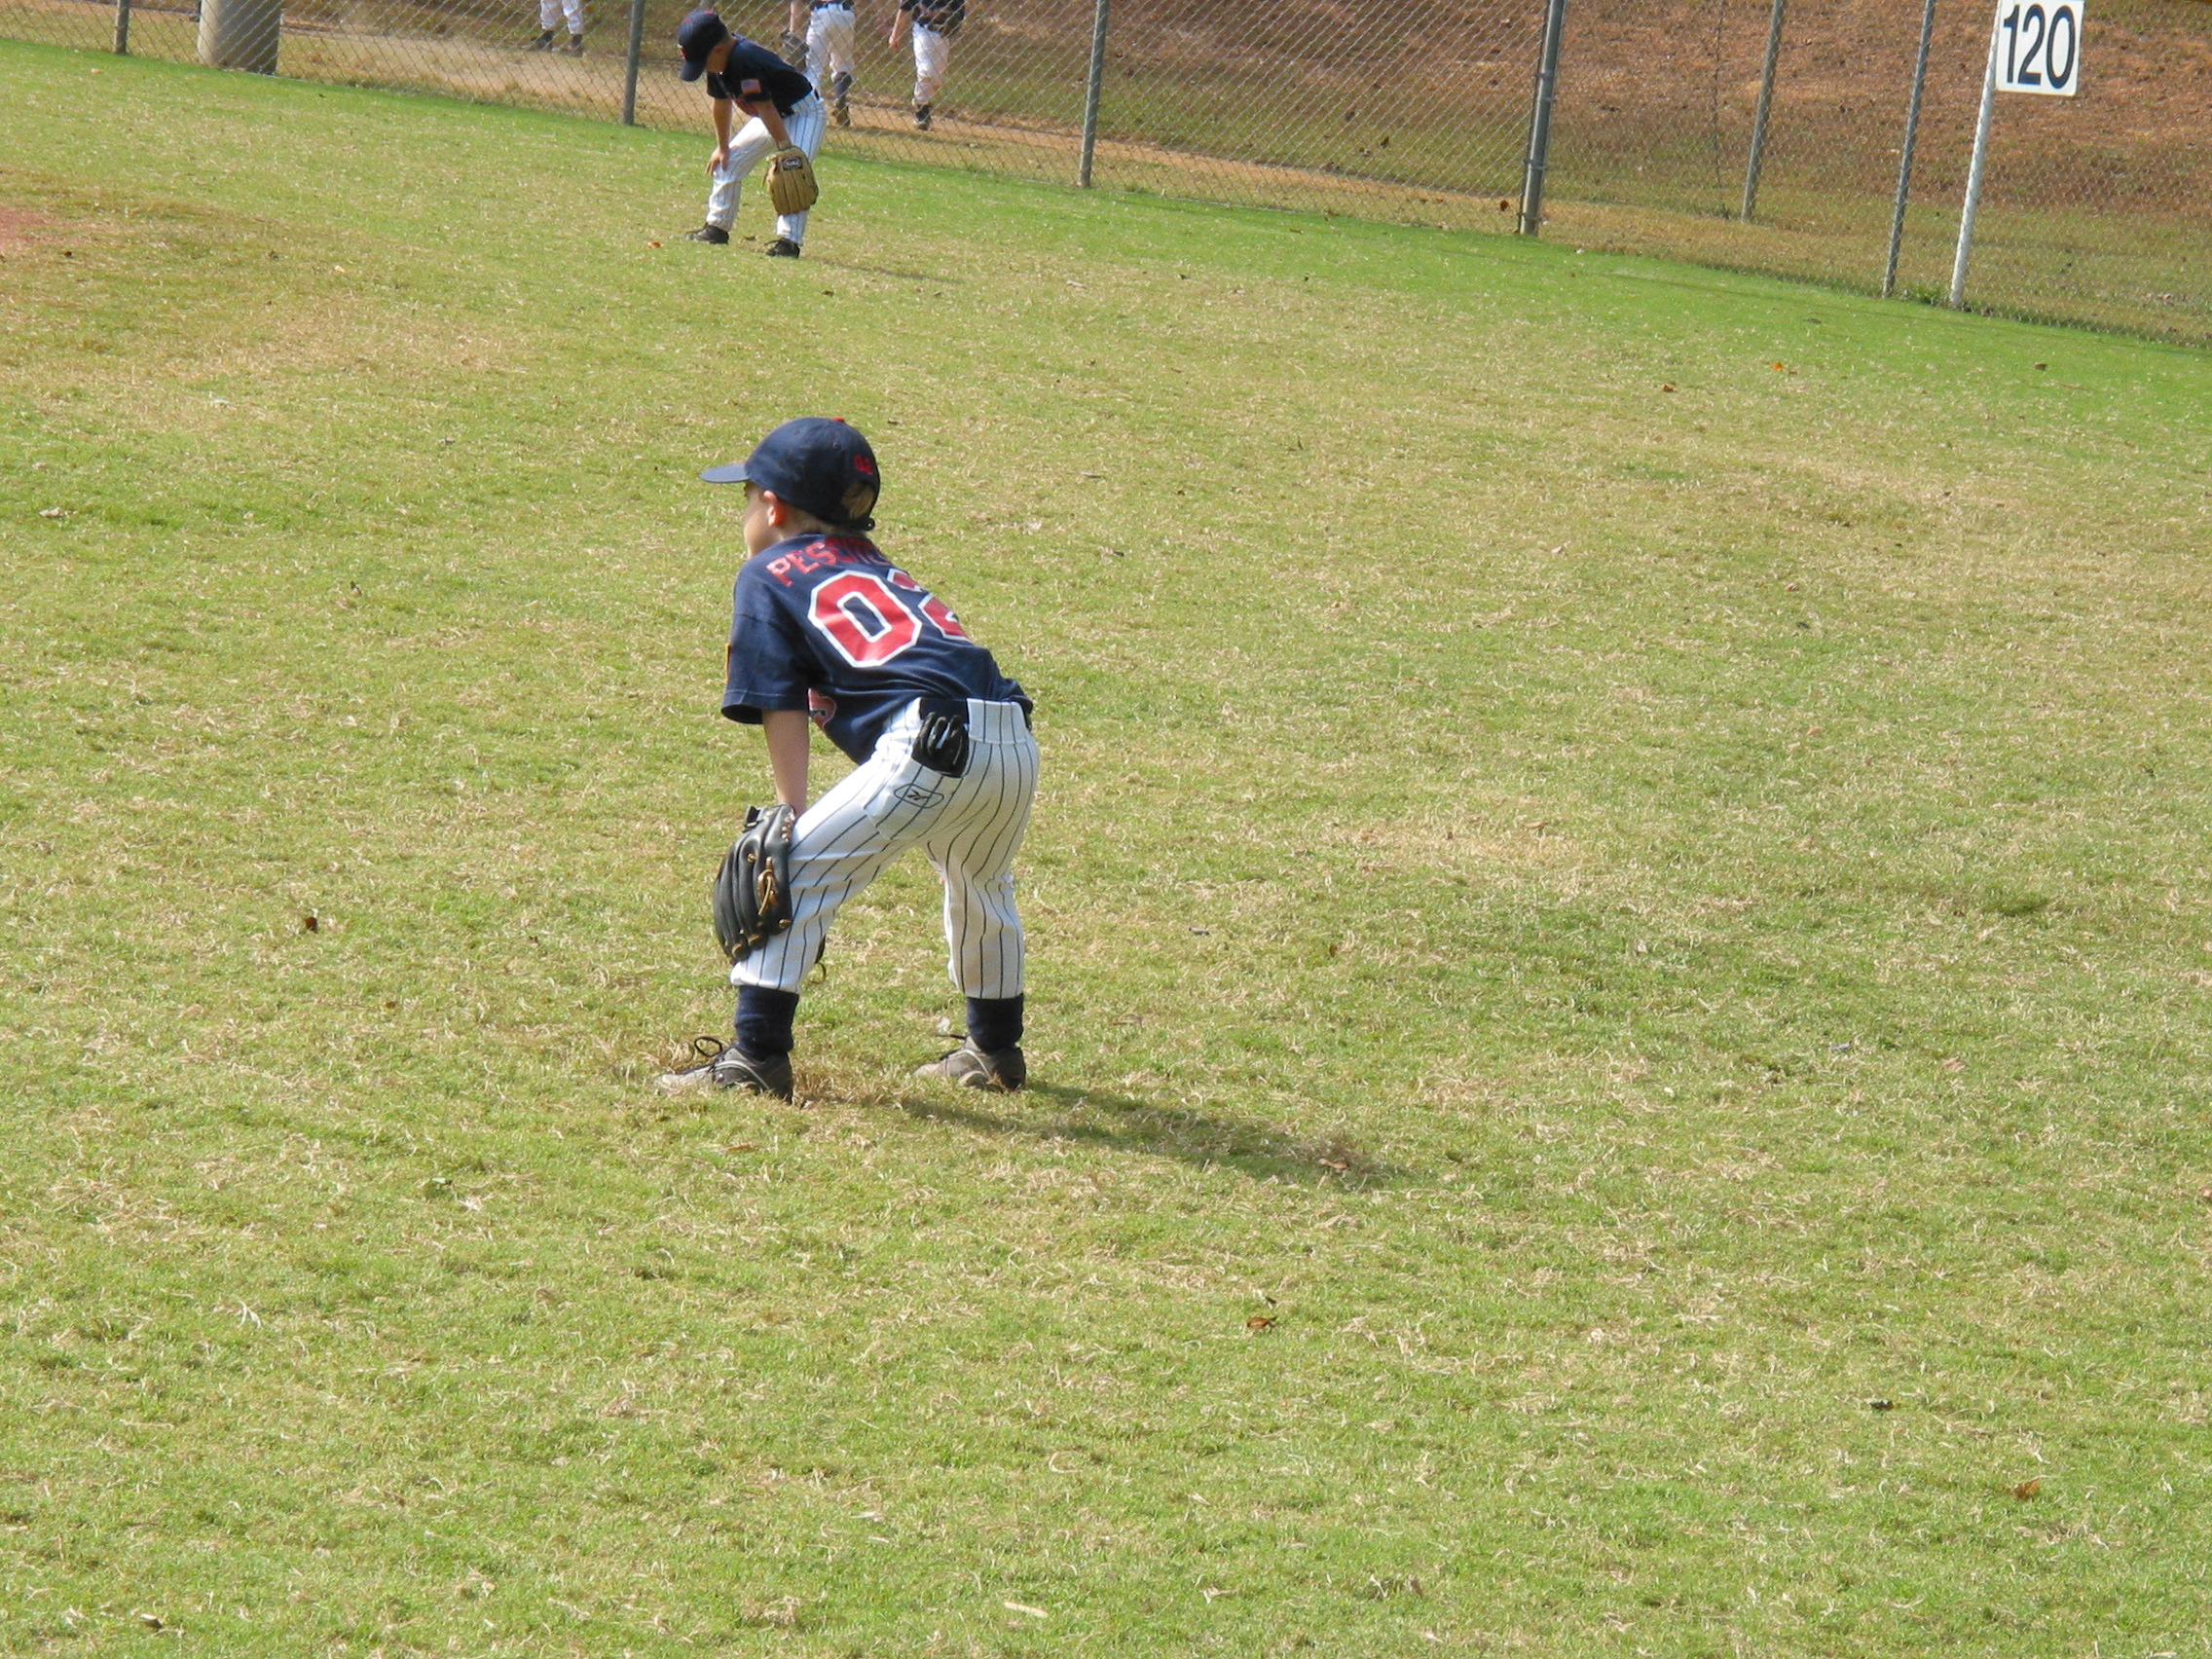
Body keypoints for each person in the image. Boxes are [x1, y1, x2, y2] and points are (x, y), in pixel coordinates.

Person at [657, 418, 1039, 1101]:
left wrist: (793, 815)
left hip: (927, 743)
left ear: (772, 506)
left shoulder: (767, 572)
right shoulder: (877, 563)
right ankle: (994, 1049)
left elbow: (780, 702)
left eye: (746, 497)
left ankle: (755, 1059)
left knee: (792, 877)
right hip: (1011, 736)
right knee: (982, 885)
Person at [677, 9, 826, 260]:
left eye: (702, 62)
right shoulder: (718, 63)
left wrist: (785, 148)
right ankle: (716, 228)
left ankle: (789, 242)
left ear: (718, 50)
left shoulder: (746, 60)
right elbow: (721, 103)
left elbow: (766, 108)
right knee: (728, 162)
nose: (702, 69)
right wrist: (723, 147)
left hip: (803, 114)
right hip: (770, 115)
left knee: (792, 171)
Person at [887, 0, 964, 130]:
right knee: (926, 71)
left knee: (937, 79)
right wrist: (895, 34)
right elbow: (905, 7)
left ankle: (923, 101)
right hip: (922, 30)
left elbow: (959, 12)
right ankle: (921, 110)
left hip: (943, 35)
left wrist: (946, 16)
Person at [799, 0, 858, 128]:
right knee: (843, 62)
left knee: (813, 66)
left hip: (821, 13)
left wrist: (792, 30)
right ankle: (840, 98)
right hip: (845, 14)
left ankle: (812, 111)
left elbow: (797, 2)